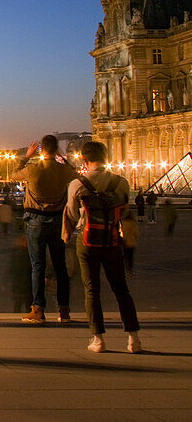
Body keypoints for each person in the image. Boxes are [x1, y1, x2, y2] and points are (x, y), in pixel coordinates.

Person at [62, 141, 142, 354]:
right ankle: (133, 339)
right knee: (121, 289)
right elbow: (126, 210)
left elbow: (71, 214)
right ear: (106, 158)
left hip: (88, 240)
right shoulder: (121, 183)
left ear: (85, 160)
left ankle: (98, 340)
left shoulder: (77, 184)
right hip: (113, 239)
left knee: (92, 290)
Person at [9, 135, 79, 324]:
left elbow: (13, 174)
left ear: (41, 150)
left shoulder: (32, 169)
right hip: (57, 221)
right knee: (60, 266)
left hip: (35, 221)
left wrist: (26, 156)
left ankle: (38, 309)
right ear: (56, 150)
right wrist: (62, 158)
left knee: (37, 266)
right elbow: (76, 173)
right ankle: (64, 310)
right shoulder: (64, 171)